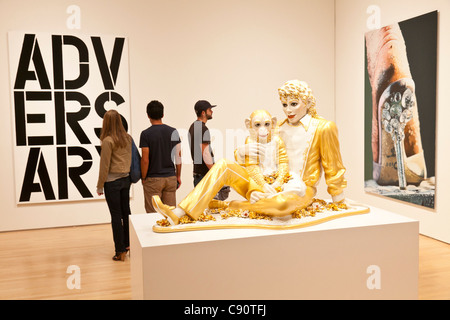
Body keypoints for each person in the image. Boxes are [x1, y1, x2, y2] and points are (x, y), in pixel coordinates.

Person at [152, 80, 347, 225]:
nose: (288, 109)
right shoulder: (277, 126)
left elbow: (333, 167)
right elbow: (255, 154)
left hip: (297, 188)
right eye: (285, 104)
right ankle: (177, 212)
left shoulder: (323, 127)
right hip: (262, 182)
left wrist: (338, 199)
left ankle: (225, 206)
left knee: (281, 206)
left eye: (294, 104)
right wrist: (241, 153)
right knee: (223, 165)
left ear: (307, 102)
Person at [96, 109, 132, 261]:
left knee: (116, 216)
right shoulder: (128, 138)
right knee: (126, 213)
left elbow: (104, 166)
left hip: (112, 182)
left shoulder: (107, 141)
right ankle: (129, 244)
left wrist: (99, 186)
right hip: (126, 180)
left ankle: (120, 250)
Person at [140, 100, 182, 213]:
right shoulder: (173, 131)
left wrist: (143, 177)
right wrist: (178, 176)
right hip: (170, 178)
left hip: (153, 178)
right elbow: (178, 157)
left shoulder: (145, 134)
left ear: (148, 115)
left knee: (152, 214)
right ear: (163, 114)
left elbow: (145, 160)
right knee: (170, 213)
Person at [188, 100, 230, 200]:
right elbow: (205, 153)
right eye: (209, 109)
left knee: (201, 208)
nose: (212, 111)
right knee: (211, 208)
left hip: (198, 175)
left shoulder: (193, 127)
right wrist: (215, 171)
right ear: (203, 112)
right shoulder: (202, 128)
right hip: (205, 176)